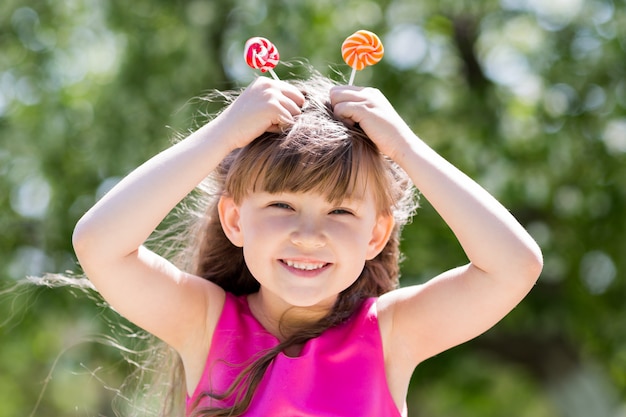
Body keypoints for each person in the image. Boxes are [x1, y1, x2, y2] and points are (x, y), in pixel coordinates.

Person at [72, 73, 543, 417]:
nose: (309, 235)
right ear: (236, 219)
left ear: (375, 235)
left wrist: (406, 149)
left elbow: (513, 266)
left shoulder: (391, 334)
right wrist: (222, 135)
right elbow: (99, 244)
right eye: (281, 205)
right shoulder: (206, 323)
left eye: (341, 212)